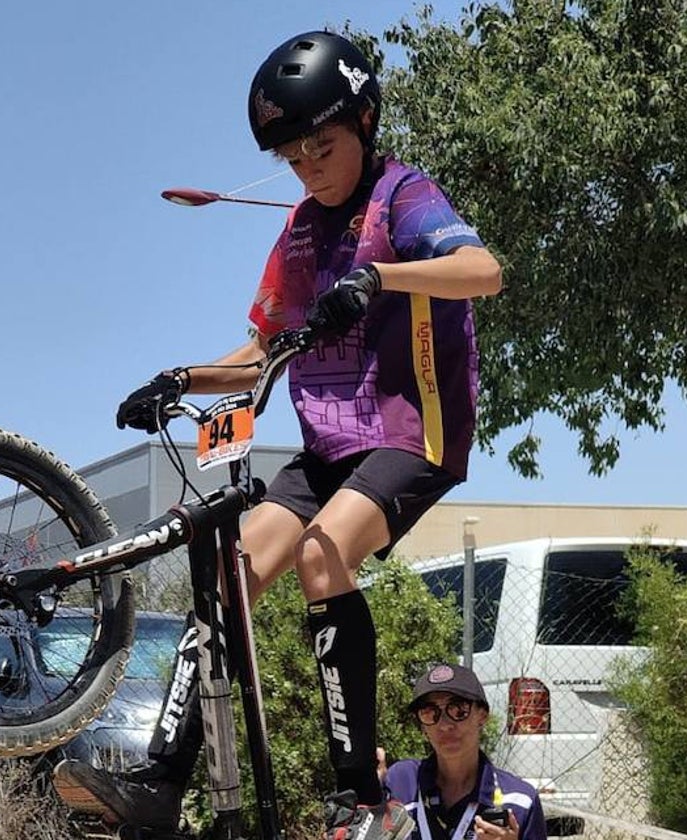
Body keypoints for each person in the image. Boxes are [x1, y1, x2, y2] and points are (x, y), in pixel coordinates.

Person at [53, 28, 502, 840]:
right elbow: (262, 351)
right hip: (330, 446)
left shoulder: (404, 196)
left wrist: (379, 277)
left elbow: (483, 271)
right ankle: (164, 779)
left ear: (364, 121)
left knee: (321, 556)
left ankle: (356, 789)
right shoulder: (299, 231)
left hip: (413, 429)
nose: (309, 167)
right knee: (231, 575)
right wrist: (180, 379)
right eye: (293, 157)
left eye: (321, 147)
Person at [384, 663, 547, 840]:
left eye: (458, 710)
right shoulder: (400, 783)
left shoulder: (519, 800)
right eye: (430, 712)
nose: (445, 725)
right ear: (422, 725)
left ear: (482, 715)